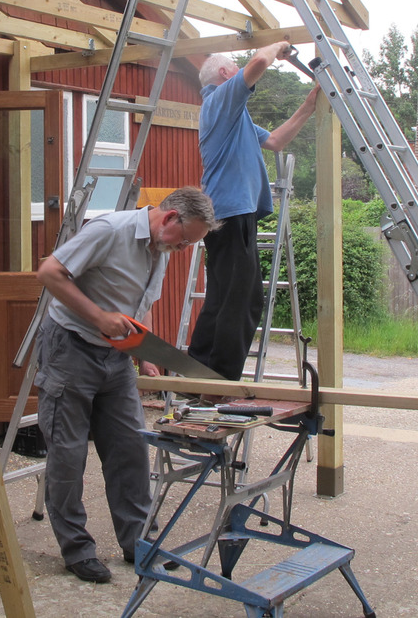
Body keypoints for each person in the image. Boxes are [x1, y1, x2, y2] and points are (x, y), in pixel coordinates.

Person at [34, 186, 218, 583]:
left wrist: (144, 348)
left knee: (131, 449)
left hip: (116, 357)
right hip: (70, 348)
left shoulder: (160, 249)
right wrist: (100, 317)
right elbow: (49, 272)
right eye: (185, 240)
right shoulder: (109, 231)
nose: (184, 248)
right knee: (68, 456)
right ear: (169, 217)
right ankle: (78, 551)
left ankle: (139, 543)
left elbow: (139, 302)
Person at [187, 42, 320, 381]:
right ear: (224, 73)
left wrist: (309, 105)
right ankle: (220, 378)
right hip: (230, 211)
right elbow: (260, 58)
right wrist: (281, 47)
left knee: (225, 296)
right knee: (244, 300)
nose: (239, 72)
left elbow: (275, 141)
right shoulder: (219, 100)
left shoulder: (233, 115)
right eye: (235, 67)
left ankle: (201, 371)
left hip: (231, 212)